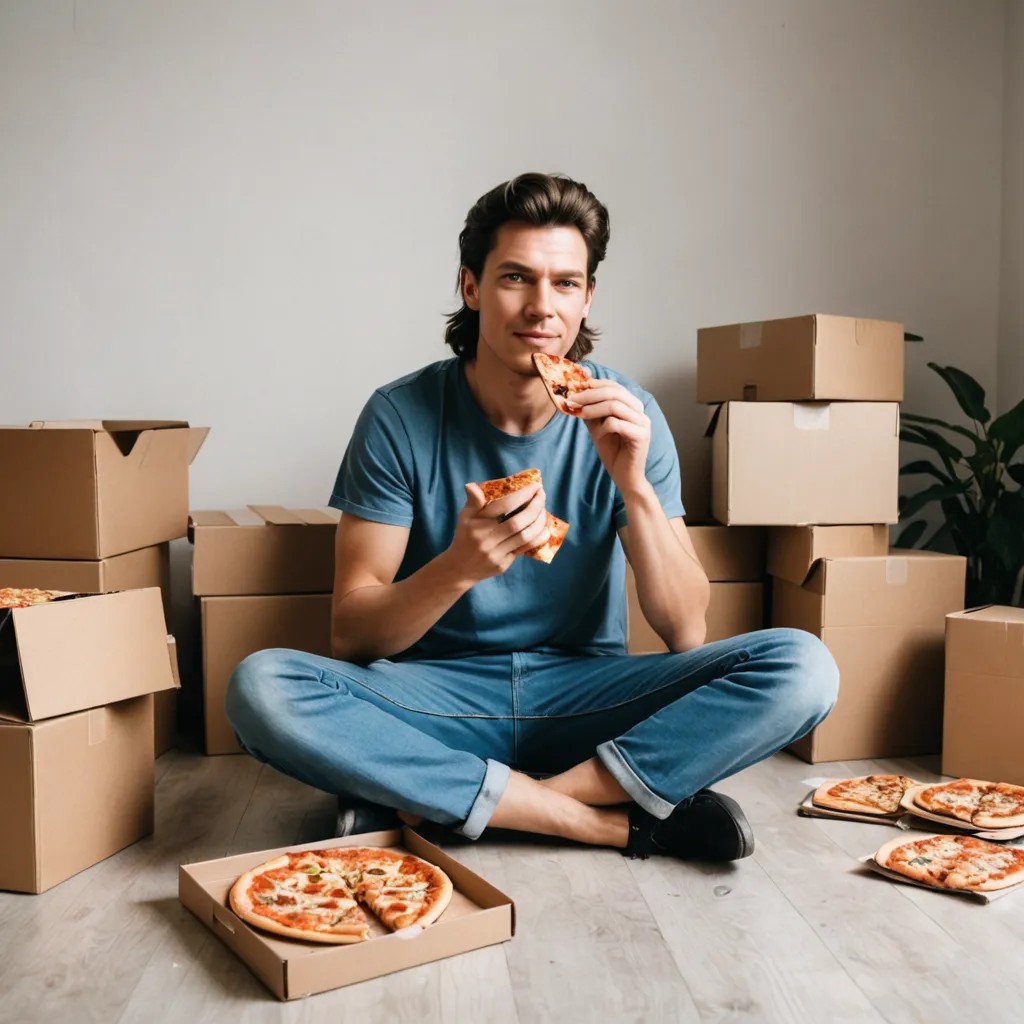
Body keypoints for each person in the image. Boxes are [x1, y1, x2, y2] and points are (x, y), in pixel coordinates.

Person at [226, 172, 838, 861]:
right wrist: (459, 568)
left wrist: (633, 485)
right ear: (471, 287)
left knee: (804, 667)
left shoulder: (628, 414)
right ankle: (600, 821)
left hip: (586, 698)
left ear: (587, 297)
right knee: (261, 688)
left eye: (565, 283)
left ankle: (460, 800)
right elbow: (353, 637)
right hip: (438, 700)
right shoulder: (399, 415)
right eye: (516, 278)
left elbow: (685, 630)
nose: (542, 307)